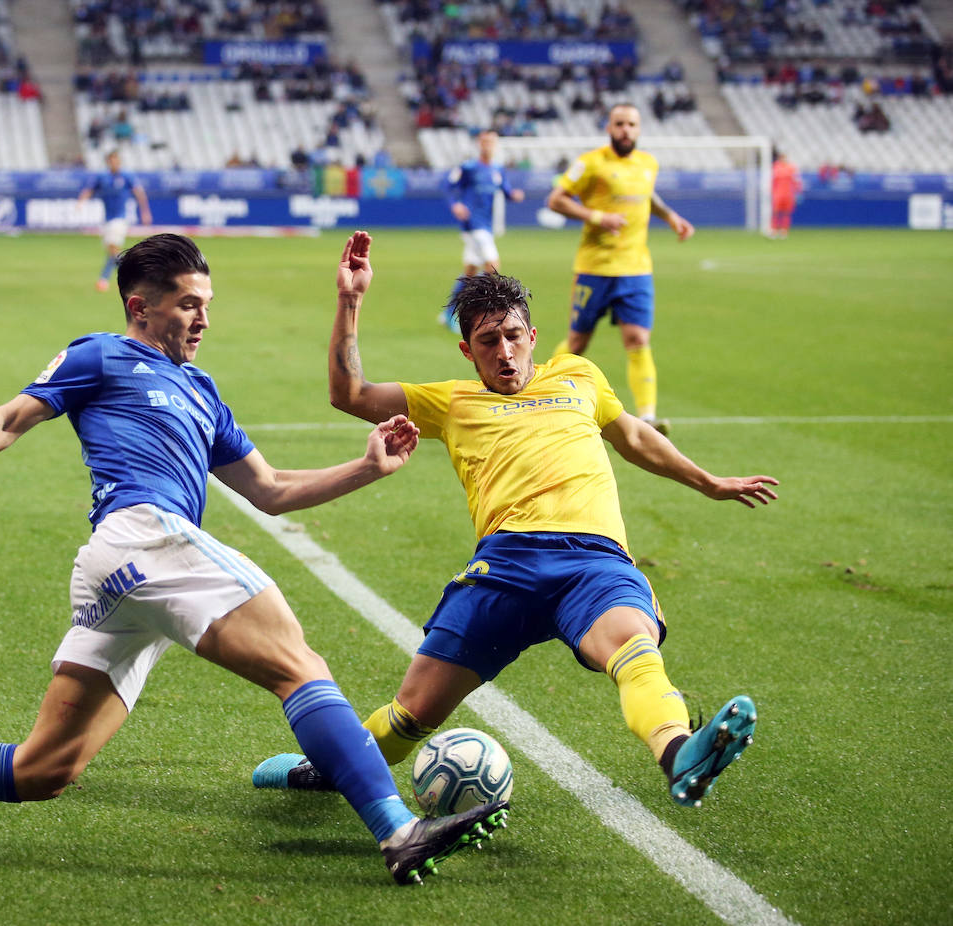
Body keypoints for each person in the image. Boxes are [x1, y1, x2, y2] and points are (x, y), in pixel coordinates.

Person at [0, 234, 508, 885]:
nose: (202, 319)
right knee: (299, 664)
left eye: (207, 304)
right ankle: (398, 833)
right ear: (141, 307)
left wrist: (366, 467)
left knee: (44, 770)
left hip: (126, 575)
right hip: (140, 536)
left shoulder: (203, 390)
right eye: (188, 305)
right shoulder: (102, 354)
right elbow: (9, 419)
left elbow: (272, 490)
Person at [254, 231, 776, 810]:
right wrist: (351, 301)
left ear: (531, 336)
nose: (503, 353)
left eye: (510, 337)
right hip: (504, 565)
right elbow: (348, 392)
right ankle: (326, 770)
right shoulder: (450, 401)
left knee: (633, 645)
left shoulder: (579, 375)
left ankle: (680, 753)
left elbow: (632, 437)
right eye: (486, 342)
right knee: (412, 713)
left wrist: (710, 482)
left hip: (593, 559)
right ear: (467, 352)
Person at [545, 103, 694, 435]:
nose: (625, 129)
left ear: (639, 129)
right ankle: (542, 392)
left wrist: (671, 217)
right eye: (619, 124)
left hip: (636, 269)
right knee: (578, 342)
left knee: (638, 338)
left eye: (631, 124)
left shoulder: (647, 163)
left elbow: (646, 196)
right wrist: (599, 217)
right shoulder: (590, 163)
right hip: (595, 267)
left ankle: (648, 417)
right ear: (609, 128)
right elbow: (556, 200)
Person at [440, 129, 525, 334]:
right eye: (485, 142)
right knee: (493, 265)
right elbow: (447, 186)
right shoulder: (469, 167)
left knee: (470, 271)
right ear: (479, 144)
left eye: (491, 142)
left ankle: (449, 313)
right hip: (473, 224)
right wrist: (455, 205)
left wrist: (513, 195)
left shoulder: (497, 170)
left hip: (486, 225)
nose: (488, 145)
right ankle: (483, 313)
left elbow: (504, 190)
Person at [77, 149, 152, 293]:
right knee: (112, 252)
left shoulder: (127, 176)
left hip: (120, 218)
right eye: (111, 160)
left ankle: (109, 279)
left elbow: (139, 193)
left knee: (113, 249)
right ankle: (134, 275)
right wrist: (81, 202)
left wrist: (145, 212)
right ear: (107, 162)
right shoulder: (102, 176)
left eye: (116, 160)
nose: (114, 163)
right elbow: (89, 190)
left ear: (119, 161)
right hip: (107, 219)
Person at [769, 149, 802, 239]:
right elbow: (772, 181)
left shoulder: (791, 168)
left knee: (786, 213)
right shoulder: (776, 167)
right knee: (776, 213)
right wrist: (771, 192)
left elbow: (797, 181)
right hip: (778, 194)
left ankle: (784, 231)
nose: (783, 159)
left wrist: (798, 192)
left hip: (788, 194)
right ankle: (774, 230)